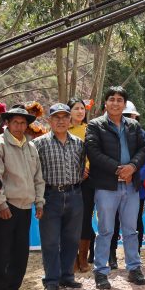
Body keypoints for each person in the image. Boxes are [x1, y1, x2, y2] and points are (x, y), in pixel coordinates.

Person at [86, 85, 145, 290]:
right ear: (106, 103)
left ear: (124, 104)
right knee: (105, 230)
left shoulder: (133, 125)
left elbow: (144, 149)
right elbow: (93, 152)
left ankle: (134, 269)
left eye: (119, 100)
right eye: (111, 99)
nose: (115, 103)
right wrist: (118, 169)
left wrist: (132, 167)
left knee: (131, 230)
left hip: (131, 187)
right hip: (107, 186)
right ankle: (101, 272)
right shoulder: (95, 125)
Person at [0, 105, 45, 290]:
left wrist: (39, 201)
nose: (19, 126)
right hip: (6, 204)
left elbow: (38, 177)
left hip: (26, 206)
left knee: (20, 250)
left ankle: (13, 288)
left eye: (23, 122)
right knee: (1, 250)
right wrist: (0, 204)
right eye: (16, 122)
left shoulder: (31, 146)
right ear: (7, 123)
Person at [32, 103, 85, 290]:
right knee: (50, 241)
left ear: (70, 120)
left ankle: (67, 276)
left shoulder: (79, 144)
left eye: (65, 117)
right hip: (50, 195)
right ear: (49, 120)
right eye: (56, 117)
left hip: (75, 194)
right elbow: (35, 173)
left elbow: (81, 169)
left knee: (71, 239)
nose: (61, 121)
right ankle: (52, 280)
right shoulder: (39, 144)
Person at [68, 97, 94, 273]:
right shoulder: (62, 130)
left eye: (82, 109)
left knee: (85, 219)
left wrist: (85, 169)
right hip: (67, 179)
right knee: (69, 219)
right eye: (76, 108)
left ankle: (83, 258)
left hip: (87, 180)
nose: (80, 111)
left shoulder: (90, 129)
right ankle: (71, 260)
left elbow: (94, 152)